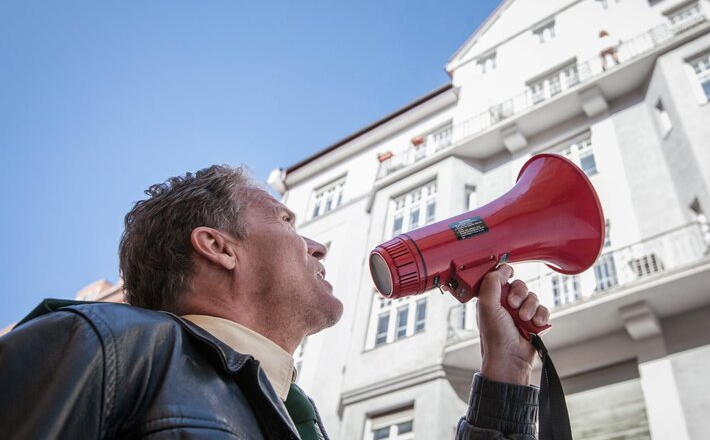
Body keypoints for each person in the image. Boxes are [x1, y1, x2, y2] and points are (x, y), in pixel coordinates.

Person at [0, 165, 549, 439]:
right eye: (286, 220)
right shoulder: (107, 347)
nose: (318, 244)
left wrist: (506, 372)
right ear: (218, 247)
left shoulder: (300, 419)